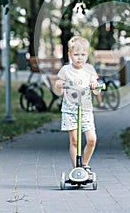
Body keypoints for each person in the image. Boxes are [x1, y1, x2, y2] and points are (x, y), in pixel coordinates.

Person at [55, 36, 101, 173]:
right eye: (76, 55)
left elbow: (97, 91)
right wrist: (60, 84)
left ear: (87, 55)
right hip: (70, 110)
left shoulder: (90, 70)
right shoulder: (65, 70)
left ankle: (84, 165)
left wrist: (95, 86)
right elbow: (58, 87)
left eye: (82, 55)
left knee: (92, 139)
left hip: (86, 110)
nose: (79, 58)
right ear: (69, 55)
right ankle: (76, 169)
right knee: (74, 140)